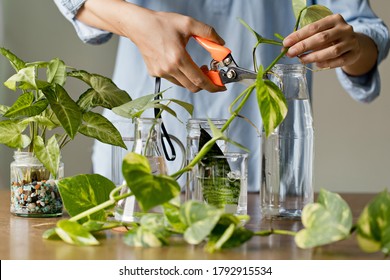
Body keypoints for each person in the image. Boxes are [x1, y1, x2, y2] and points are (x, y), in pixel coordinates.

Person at [54, 0, 389, 191]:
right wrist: (138, 24)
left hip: (264, 170)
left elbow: (365, 29)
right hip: (143, 162)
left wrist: (352, 46)